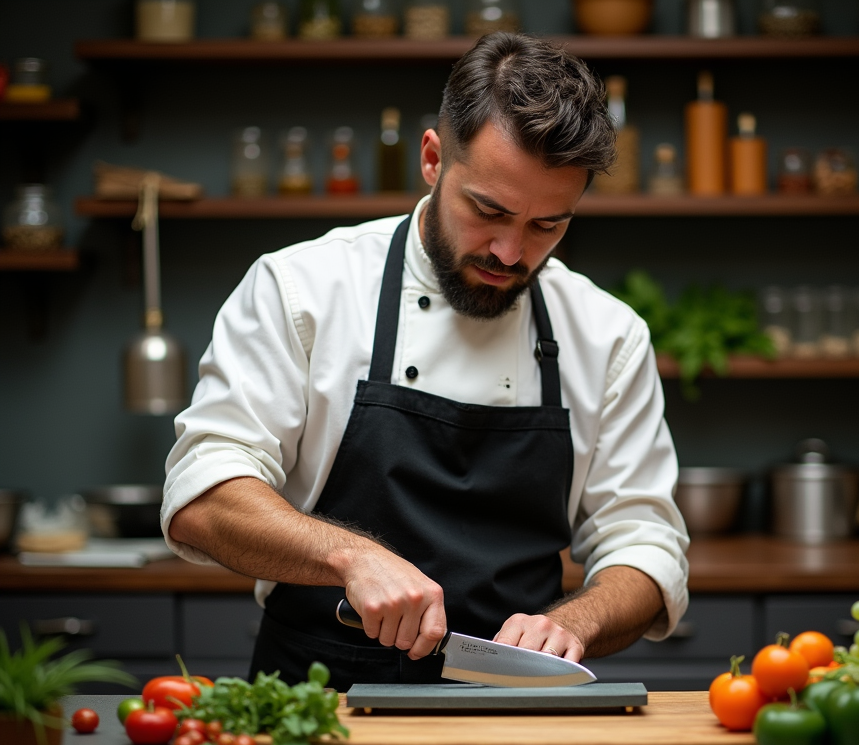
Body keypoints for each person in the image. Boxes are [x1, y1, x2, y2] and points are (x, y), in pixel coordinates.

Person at [163, 32, 690, 689]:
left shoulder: (608, 335)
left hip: (514, 701)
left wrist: (577, 622)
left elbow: (646, 545)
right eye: (488, 210)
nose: (508, 251)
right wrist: (348, 556)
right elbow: (203, 496)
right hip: (320, 697)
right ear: (434, 159)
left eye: (547, 225)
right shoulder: (302, 290)